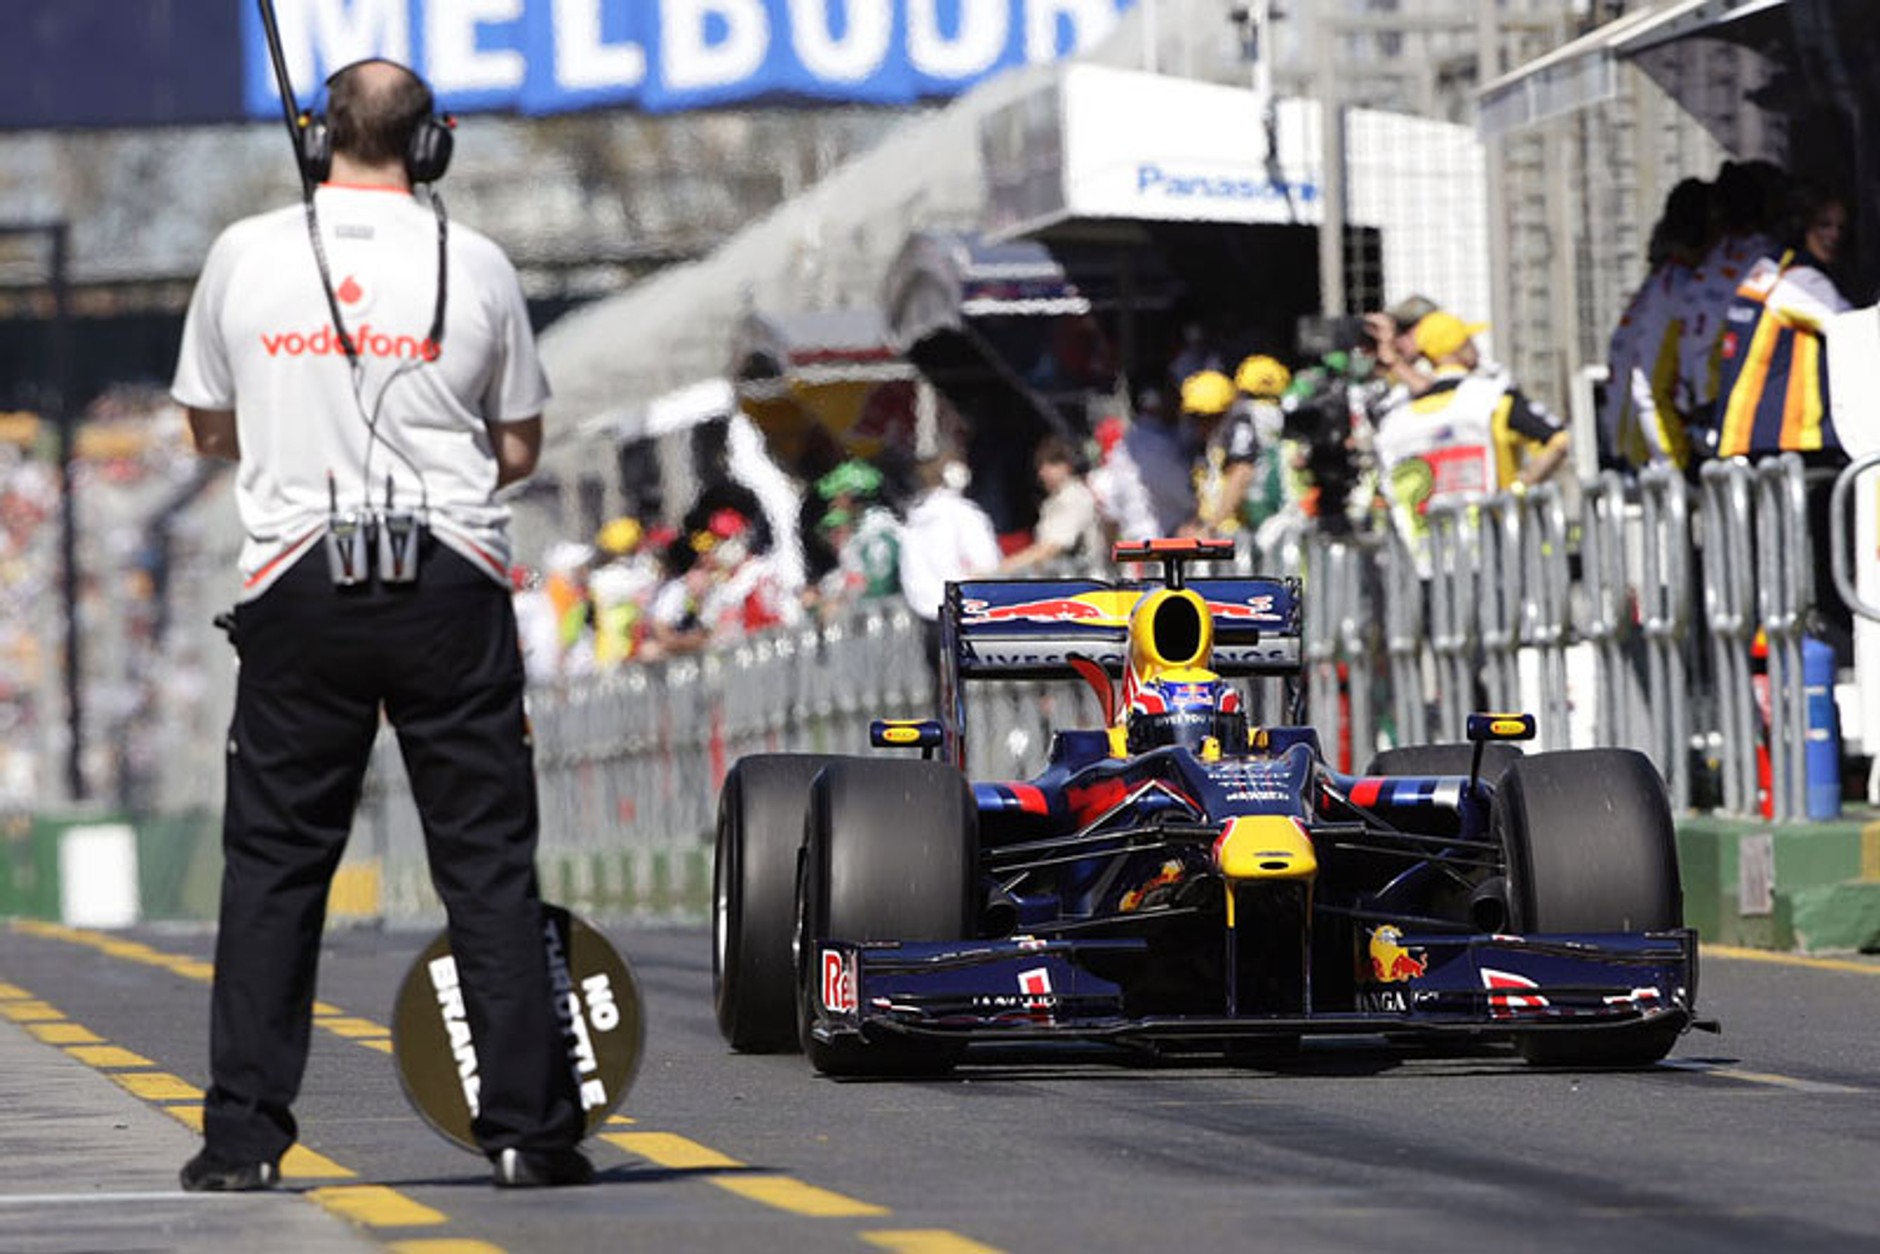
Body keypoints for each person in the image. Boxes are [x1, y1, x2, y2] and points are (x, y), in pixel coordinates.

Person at [169, 60, 589, 1191]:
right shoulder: (479, 262)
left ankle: (243, 1139)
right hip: (449, 580)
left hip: (300, 585)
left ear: (318, 142)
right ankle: (526, 1133)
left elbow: (206, 429)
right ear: (432, 144)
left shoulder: (245, 255)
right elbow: (517, 449)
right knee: (487, 866)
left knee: (272, 869)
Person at [1372, 310, 1570, 577]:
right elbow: (1558, 440)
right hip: (1496, 549)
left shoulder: (1395, 420)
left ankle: (1291, 619)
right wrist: (1521, 486)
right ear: (1459, 347)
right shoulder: (1491, 399)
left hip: (1428, 562)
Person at [1601, 178, 1711, 474]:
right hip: (1653, 454)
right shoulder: (1677, 289)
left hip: (1637, 450)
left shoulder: (1657, 287)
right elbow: (1649, 385)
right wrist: (1674, 464)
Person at [898, 455, 1001, 697]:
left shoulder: (912, 523)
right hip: (967, 613)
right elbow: (987, 564)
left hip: (928, 615)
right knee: (985, 694)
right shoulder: (963, 513)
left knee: (944, 694)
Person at [999, 435, 1106, 574]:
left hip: (1082, 585)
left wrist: (1001, 570)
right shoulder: (1054, 501)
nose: (1043, 472)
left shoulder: (1075, 497)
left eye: (1052, 463)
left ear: (1067, 466)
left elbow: (1051, 548)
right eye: (1040, 465)